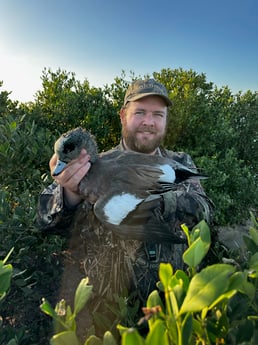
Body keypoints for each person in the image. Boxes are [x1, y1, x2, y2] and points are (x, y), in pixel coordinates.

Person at [38, 78, 213, 337]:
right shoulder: (84, 168)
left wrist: (154, 200)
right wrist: (70, 194)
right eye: (139, 112)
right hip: (107, 318)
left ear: (165, 120)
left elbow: (205, 211)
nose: (148, 121)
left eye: (157, 114)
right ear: (123, 116)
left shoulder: (180, 162)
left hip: (171, 306)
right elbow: (44, 222)